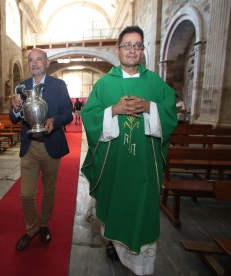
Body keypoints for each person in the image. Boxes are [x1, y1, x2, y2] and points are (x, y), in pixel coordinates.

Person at [81, 26, 177, 275]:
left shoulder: (154, 82)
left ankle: (141, 266)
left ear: (143, 50)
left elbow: (169, 114)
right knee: (115, 205)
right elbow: (89, 116)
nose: (132, 50)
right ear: (118, 49)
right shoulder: (104, 84)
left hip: (144, 167)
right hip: (114, 165)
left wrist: (149, 107)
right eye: (127, 45)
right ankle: (114, 245)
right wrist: (113, 111)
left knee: (142, 212)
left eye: (137, 45)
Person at [9, 48, 73, 251]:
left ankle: (44, 224)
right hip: (30, 146)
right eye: (31, 60)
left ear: (47, 63)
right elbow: (13, 118)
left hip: (51, 144)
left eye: (39, 59)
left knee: (49, 191)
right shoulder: (21, 87)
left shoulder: (58, 85)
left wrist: (55, 120)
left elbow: (68, 114)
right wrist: (16, 107)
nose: (34, 63)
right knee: (26, 194)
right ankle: (31, 229)